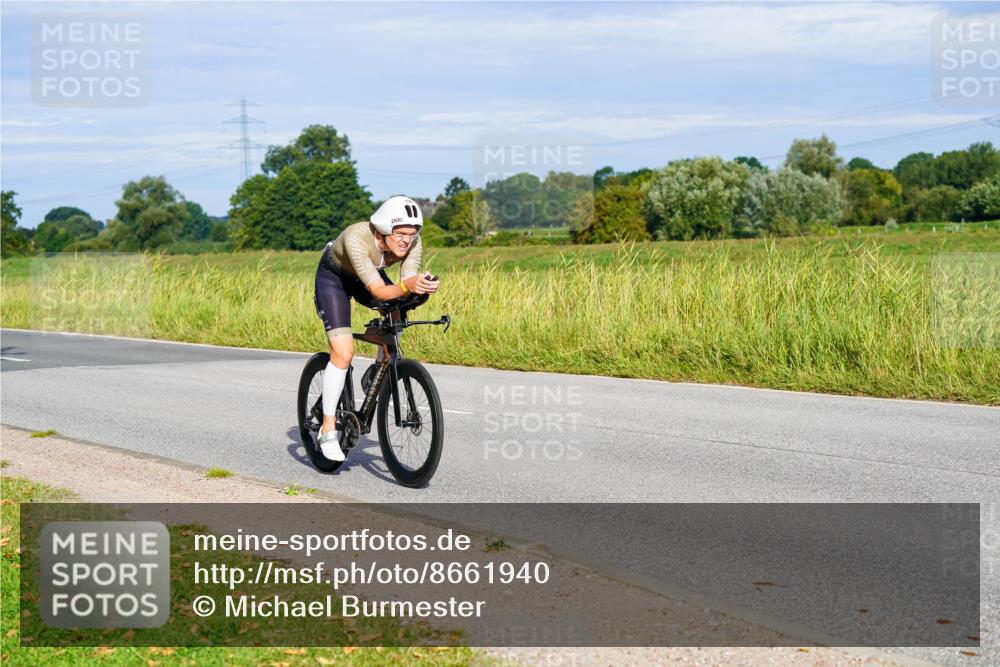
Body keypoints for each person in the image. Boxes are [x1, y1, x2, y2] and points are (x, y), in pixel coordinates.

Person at [313, 195, 440, 461]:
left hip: (367, 276)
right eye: (401, 234)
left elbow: (404, 284)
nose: (408, 239)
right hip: (334, 278)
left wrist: (421, 285)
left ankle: (377, 371)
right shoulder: (357, 238)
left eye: (413, 233)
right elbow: (379, 290)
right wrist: (407, 285)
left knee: (399, 307)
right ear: (382, 230)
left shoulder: (413, 242)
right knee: (344, 352)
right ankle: (327, 430)